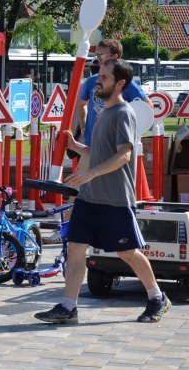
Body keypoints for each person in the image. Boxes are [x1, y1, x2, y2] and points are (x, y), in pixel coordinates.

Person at [35, 59, 170, 325]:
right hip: (89, 198)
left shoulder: (123, 113)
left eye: (105, 77)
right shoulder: (103, 113)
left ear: (120, 84)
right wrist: (76, 146)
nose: (98, 80)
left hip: (114, 200)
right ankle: (68, 307)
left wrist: (91, 173)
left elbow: (124, 154)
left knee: (127, 252)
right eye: (99, 75)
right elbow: (99, 153)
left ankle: (157, 297)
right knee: (76, 248)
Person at [77, 39, 152, 149]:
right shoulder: (91, 81)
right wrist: (83, 128)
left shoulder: (127, 83)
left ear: (115, 57)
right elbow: (81, 104)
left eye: (103, 54)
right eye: (97, 54)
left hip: (114, 145)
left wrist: (130, 130)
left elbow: (148, 107)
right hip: (90, 143)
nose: (98, 58)